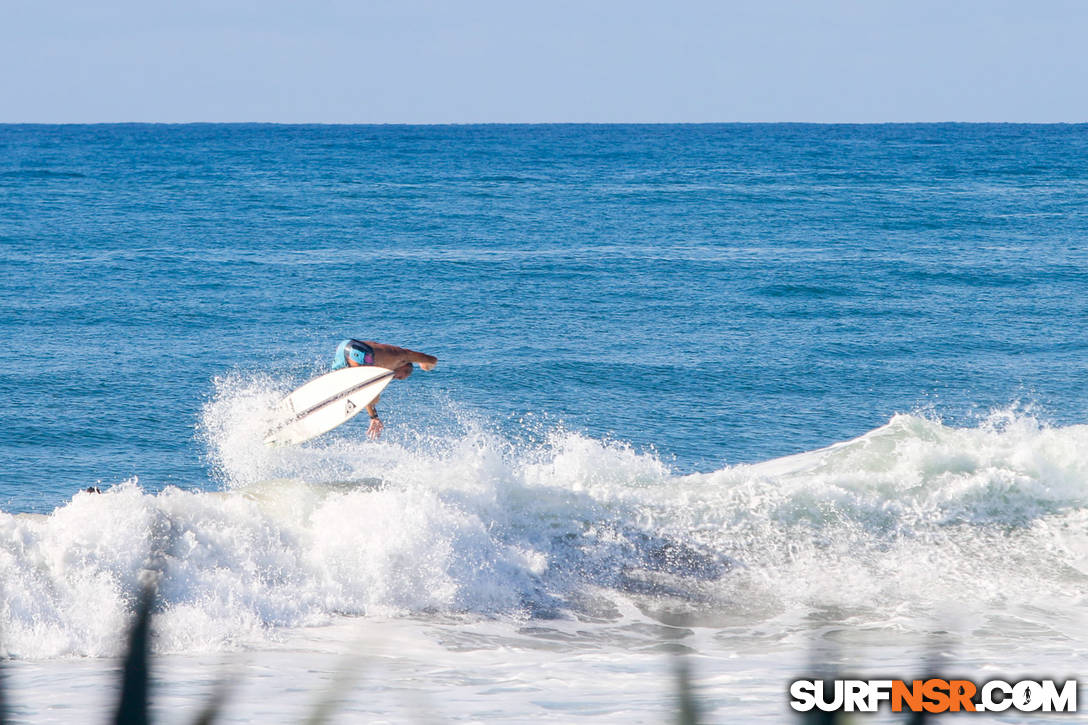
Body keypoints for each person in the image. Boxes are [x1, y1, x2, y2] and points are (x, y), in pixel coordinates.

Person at [331, 339, 438, 439]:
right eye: (401, 376)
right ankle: (370, 415)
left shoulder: (387, 363)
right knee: (369, 392)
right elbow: (432, 359)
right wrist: (426, 364)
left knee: (337, 384)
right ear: (404, 366)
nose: (396, 378)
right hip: (360, 353)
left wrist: (374, 416)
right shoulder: (402, 357)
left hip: (345, 347)